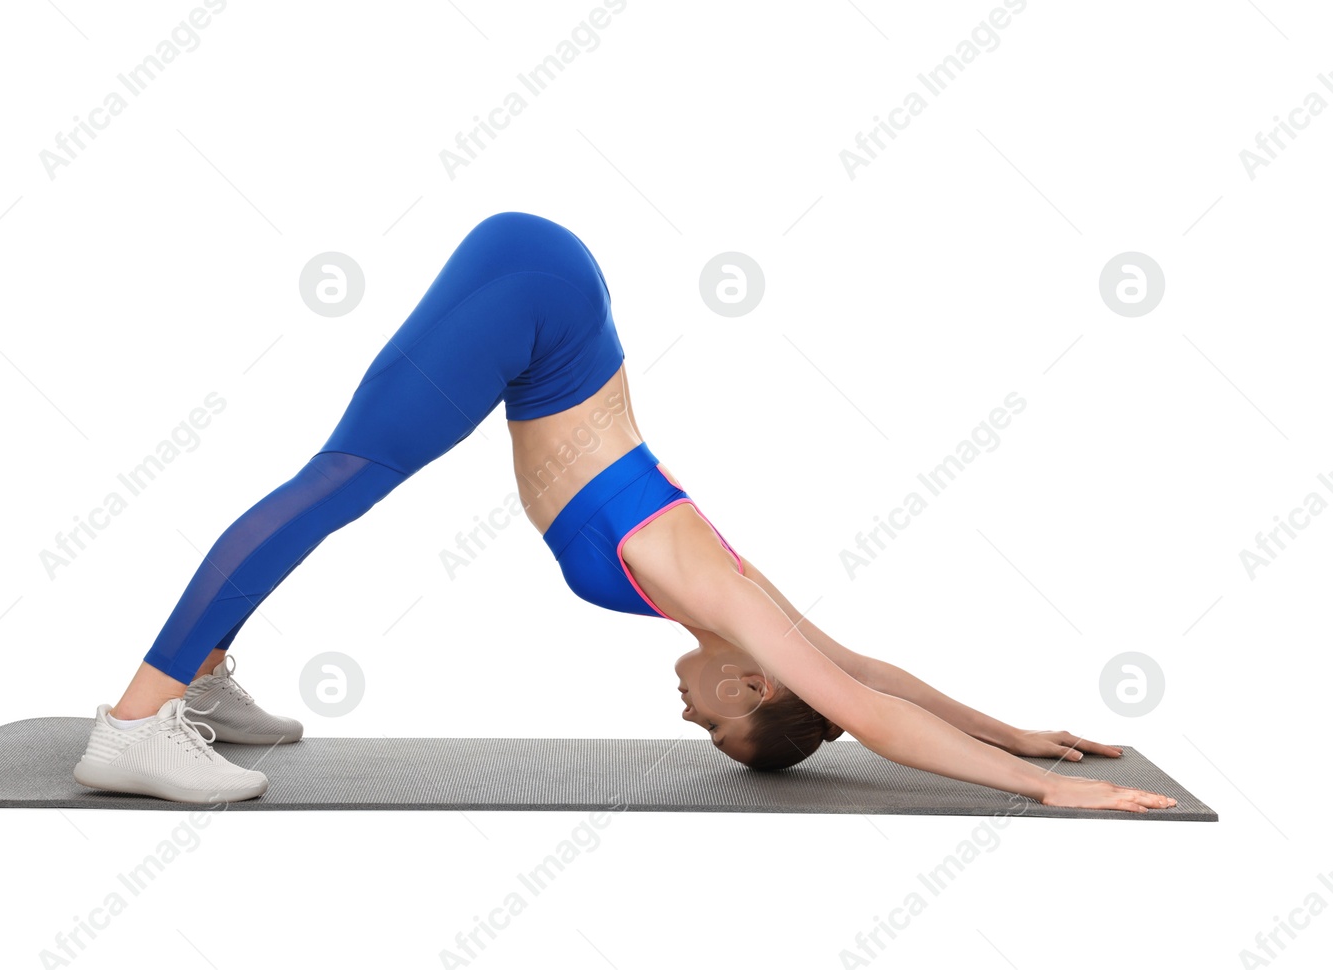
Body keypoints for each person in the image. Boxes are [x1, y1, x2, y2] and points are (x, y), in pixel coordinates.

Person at [72, 211, 1177, 814]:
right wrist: (1038, 787)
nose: (687, 714)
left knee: (343, 482)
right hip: (538, 310)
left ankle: (202, 679)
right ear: (752, 687)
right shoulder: (709, 592)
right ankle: (134, 727)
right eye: (712, 723)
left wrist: (1017, 725)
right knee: (340, 482)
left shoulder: (745, 619)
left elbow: (870, 680)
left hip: (544, 314)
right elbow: (870, 713)